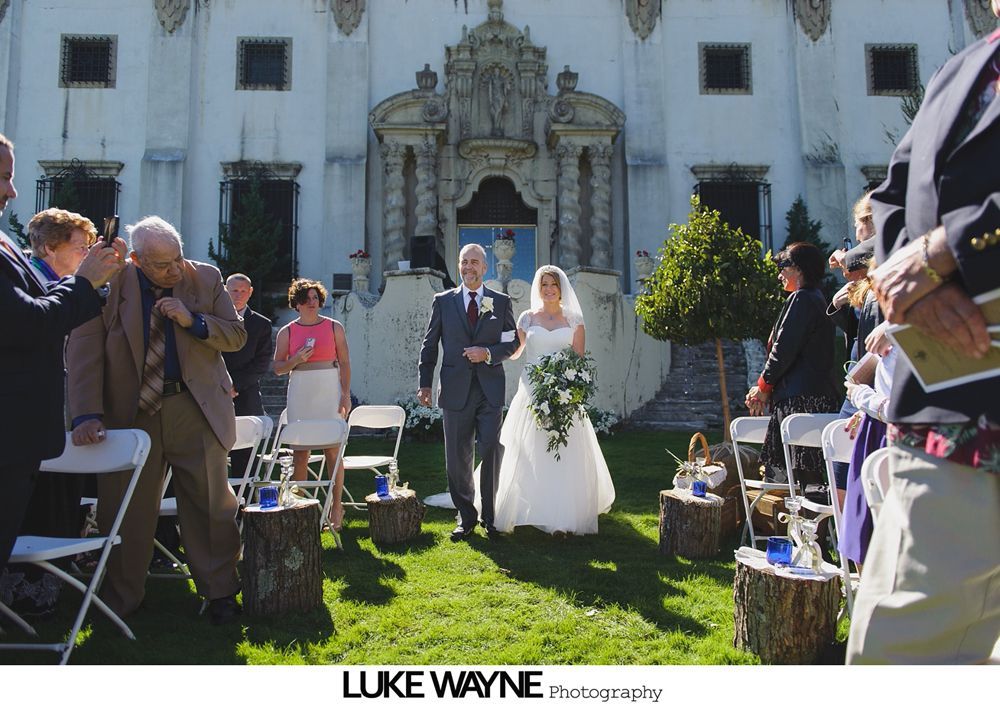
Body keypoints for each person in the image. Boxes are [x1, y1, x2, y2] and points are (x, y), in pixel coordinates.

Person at [846, 5, 1000, 664]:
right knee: (894, 652)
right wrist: (906, 273)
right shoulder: (962, 69)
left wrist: (953, 249)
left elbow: (944, 240)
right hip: (948, 426)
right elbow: (890, 195)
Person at [66, 215, 246, 625]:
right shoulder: (108, 283)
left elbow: (235, 336)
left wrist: (193, 321)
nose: (173, 271)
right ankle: (122, 598)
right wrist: (86, 413)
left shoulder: (205, 278)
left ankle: (220, 593)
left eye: (177, 260)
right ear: (136, 258)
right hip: (129, 413)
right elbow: (84, 347)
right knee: (125, 508)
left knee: (209, 505)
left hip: (194, 407)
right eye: (161, 265)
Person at [0, 133, 125, 575]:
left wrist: (91, 283)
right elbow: (30, 323)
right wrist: (85, 284)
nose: (12, 191)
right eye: (4, 178)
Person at [5, 208, 101, 616]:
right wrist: (82, 286)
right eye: (80, 248)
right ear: (47, 247)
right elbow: (32, 323)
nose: (85, 255)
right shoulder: (47, 282)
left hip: (42, 419)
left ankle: (39, 592)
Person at [485, 266, 616, 535]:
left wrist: (566, 388)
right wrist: (492, 344)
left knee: (564, 452)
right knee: (525, 450)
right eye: (544, 284)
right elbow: (515, 352)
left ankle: (563, 517)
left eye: (553, 284)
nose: (548, 289)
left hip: (564, 393)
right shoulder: (527, 318)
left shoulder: (574, 320)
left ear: (561, 288)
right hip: (531, 392)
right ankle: (523, 508)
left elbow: (579, 360)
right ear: (538, 288)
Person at [417, 243, 518, 541]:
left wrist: (486, 352)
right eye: (464, 262)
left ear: (484, 268)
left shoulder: (500, 302)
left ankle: (490, 517)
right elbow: (429, 343)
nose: (468, 267)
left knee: (490, 450)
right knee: (457, 457)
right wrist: (425, 382)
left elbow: (511, 344)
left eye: (474, 262)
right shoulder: (443, 301)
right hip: (455, 389)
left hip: (490, 390)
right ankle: (466, 517)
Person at [745, 242, 841, 488]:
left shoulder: (803, 298)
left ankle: (813, 526)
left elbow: (783, 350)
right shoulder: (816, 298)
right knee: (807, 479)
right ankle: (814, 525)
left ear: (798, 269)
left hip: (801, 400)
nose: (779, 274)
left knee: (805, 479)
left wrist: (763, 387)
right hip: (813, 396)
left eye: (783, 266)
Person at [272, 278, 351, 531]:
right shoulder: (287, 331)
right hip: (300, 390)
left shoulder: (333, 327)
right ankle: (302, 512)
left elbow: (346, 362)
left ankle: (336, 507)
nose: (311, 303)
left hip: (328, 387)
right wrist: (295, 359)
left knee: (333, 450)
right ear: (296, 303)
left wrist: (345, 393)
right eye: (306, 299)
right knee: (300, 453)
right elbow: (278, 369)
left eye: (315, 298)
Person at [222, 273, 274, 476]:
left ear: (250, 292)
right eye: (234, 290)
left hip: (245, 397)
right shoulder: (213, 320)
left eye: (243, 291)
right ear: (226, 290)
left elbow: (261, 363)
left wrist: (234, 386)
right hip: (213, 393)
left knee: (245, 458)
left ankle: (246, 504)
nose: (238, 295)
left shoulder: (261, 324)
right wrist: (221, 383)